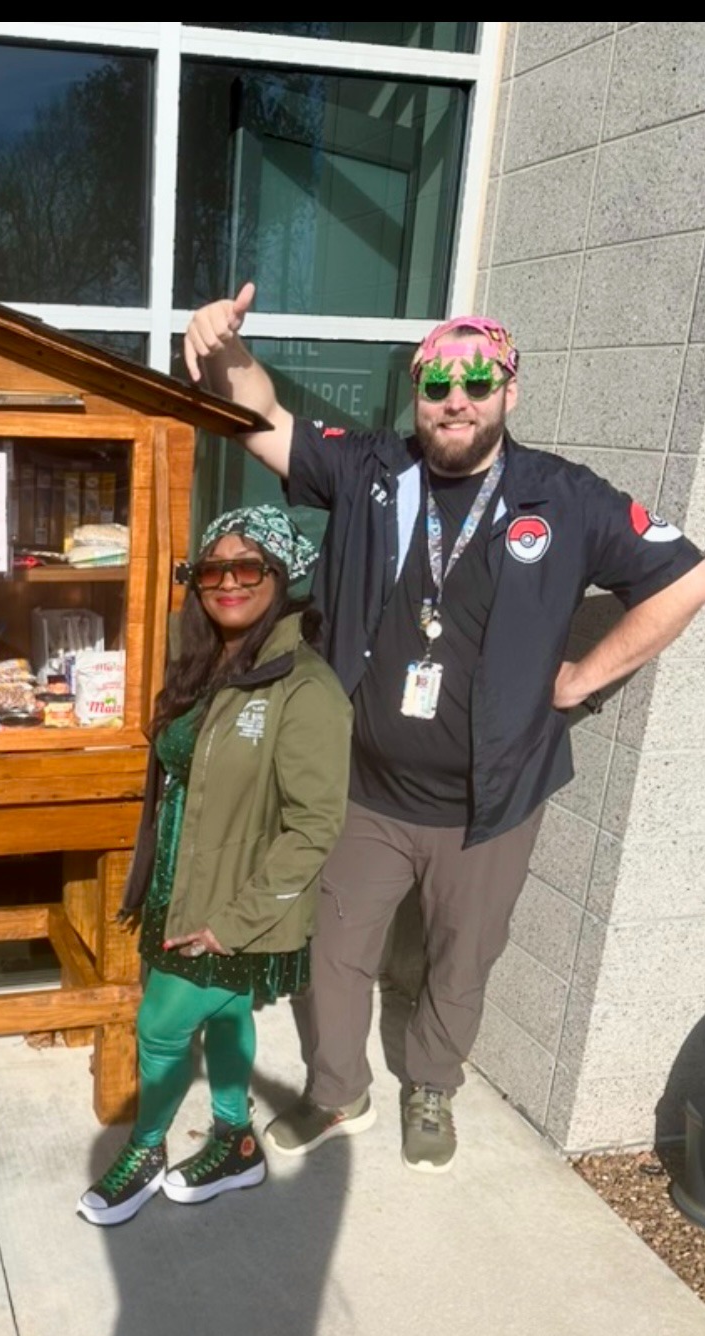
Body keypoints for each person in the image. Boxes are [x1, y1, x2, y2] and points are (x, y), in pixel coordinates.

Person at [183, 285, 705, 1174]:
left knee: (462, 960)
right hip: (362, 789)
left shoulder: (563, 497)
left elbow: (683, 576)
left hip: (490, 803)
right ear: (415, 393)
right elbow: (260, 415)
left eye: (476, 380)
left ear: (509, 390)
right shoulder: (368, 468)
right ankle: (336, 1088)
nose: (453, 399)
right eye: (435, 383)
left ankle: (429, 1082)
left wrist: (582, 676)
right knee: (336, 952)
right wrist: (221, 348)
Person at [77, 505, 352, 1225]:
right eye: (211, 568)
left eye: (246, 567)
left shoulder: (304, 687)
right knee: (227, 1013)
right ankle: (235, 1140)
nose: (226, 581)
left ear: (281, 575)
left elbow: (315, 824)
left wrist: (234, 921)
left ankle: (143, 1148)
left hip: (235, 900)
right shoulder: (207, 662)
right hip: (180, 881)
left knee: (161, 1025)